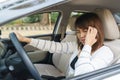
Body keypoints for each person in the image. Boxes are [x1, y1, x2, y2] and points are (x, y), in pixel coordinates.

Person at [14, 13, 113, 77]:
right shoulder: (78, 46)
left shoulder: (105, 53)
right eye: (78, 31)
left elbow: (84, 75)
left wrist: (87, 45)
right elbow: (54, 46)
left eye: (86, 31)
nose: (81, 35)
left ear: (96, 31)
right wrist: (26, 40)